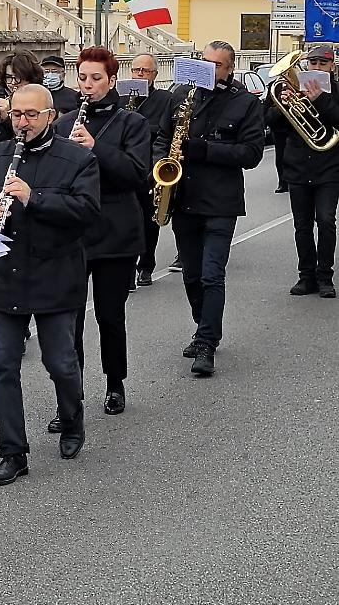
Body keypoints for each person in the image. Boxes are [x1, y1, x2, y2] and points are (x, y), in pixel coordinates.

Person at [0, 84, 101, 486]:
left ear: (50, 116)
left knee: (60, 363)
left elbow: (87, 211)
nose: (21, 122)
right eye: (16, 114)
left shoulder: (77, 159)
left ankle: (72, 420)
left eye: (30, 115)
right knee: (2, 366)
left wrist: (33, 197)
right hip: (6, 274)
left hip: (56, 274)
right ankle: (13, 452)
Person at [154, 40, 265, 377]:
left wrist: (203, 149)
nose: (208, 68)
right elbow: (162, 137)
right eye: (204, 61)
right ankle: (204, 325)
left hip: (220, 200)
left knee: (211, 274)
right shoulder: (180, 95)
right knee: (191, 275)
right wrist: (160, 163)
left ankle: (206, 343)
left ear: (229, 69)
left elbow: (251, 154)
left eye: (216, 64)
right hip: (184, 197)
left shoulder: (245, 102)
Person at [54, 47, 150, 417]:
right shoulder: (63, 123)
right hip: (73, 232)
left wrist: (96, 148)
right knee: (69, 319)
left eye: (96, 78)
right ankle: (71, 393)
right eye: (82, 78)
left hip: (115, 231)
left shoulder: (131, 123)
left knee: (109, 315)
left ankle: (115, 383)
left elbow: (135, 174)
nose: (88, 85)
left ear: (111, 80)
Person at [268, 45, 339, 298]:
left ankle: (325, 276)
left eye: (322, 63)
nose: (317, 67)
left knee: (326, 221)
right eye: (313, 63)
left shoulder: (336, 91)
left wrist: (320, 100)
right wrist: (283, 106)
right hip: (297, 167)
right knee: (302, 225)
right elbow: (271, 124)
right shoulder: (290, 88)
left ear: (332, 67)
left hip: (329, 167)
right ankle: (306, 276)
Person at [121, 53, 172, 287]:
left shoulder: (164, 99)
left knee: (149, 222)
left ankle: (146, 265)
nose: (140, 74)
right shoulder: (120, 98)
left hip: (150, 170)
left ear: (155, 75)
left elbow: (165, 131)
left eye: (145, 71)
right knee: (126, 223)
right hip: (125, 169)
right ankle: (127, 269)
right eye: (136, 70)